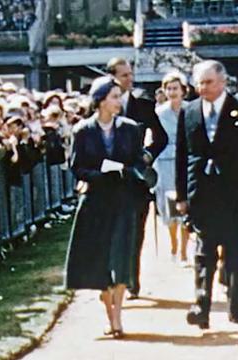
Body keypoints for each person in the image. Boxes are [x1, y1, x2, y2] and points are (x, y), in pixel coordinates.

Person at [176, 60, 238, 329]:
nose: (203, 88)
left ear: (223, 82)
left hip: (233, 192)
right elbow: (182, 155)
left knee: (233, 254)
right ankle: (201, 307)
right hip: (201, 193)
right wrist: (181, 195)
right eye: (199, 82)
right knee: (203, 253)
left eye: (209, 82)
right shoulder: (188, 111)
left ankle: (235, 307)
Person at [65, 77, 147, 339]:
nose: (118, 101)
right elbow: (76, 167)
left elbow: (138, 161)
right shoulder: (82, 130)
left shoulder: (131, 129)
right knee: (99, 259)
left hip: (123, 199)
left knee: (121, 256)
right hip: (96, 201)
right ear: (100, 100)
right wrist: (99, 174)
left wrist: (128, 171)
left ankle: (118, 317)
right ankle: (109, 313)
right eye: (113, 96)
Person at [107, 57, 168, 300]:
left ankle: (132, 279)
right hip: (110, 181)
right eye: (124, 75)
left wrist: (148, 155)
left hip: (137, 181)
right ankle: (114, 278)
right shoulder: (101, 106)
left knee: (136, 232)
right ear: (112, 78)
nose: (129, 79)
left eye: (131, 74)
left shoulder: (143, 105)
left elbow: (161, 137)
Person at [154, 71, 190, 266]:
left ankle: (184, 251)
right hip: (166, 163)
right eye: (168, 88)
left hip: (186, 162)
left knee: (186, 204)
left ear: (183, 90)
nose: (172, 92)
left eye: (175, 88)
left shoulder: (191, 109)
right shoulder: (159, 113)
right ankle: (174, 244)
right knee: (169, 208)